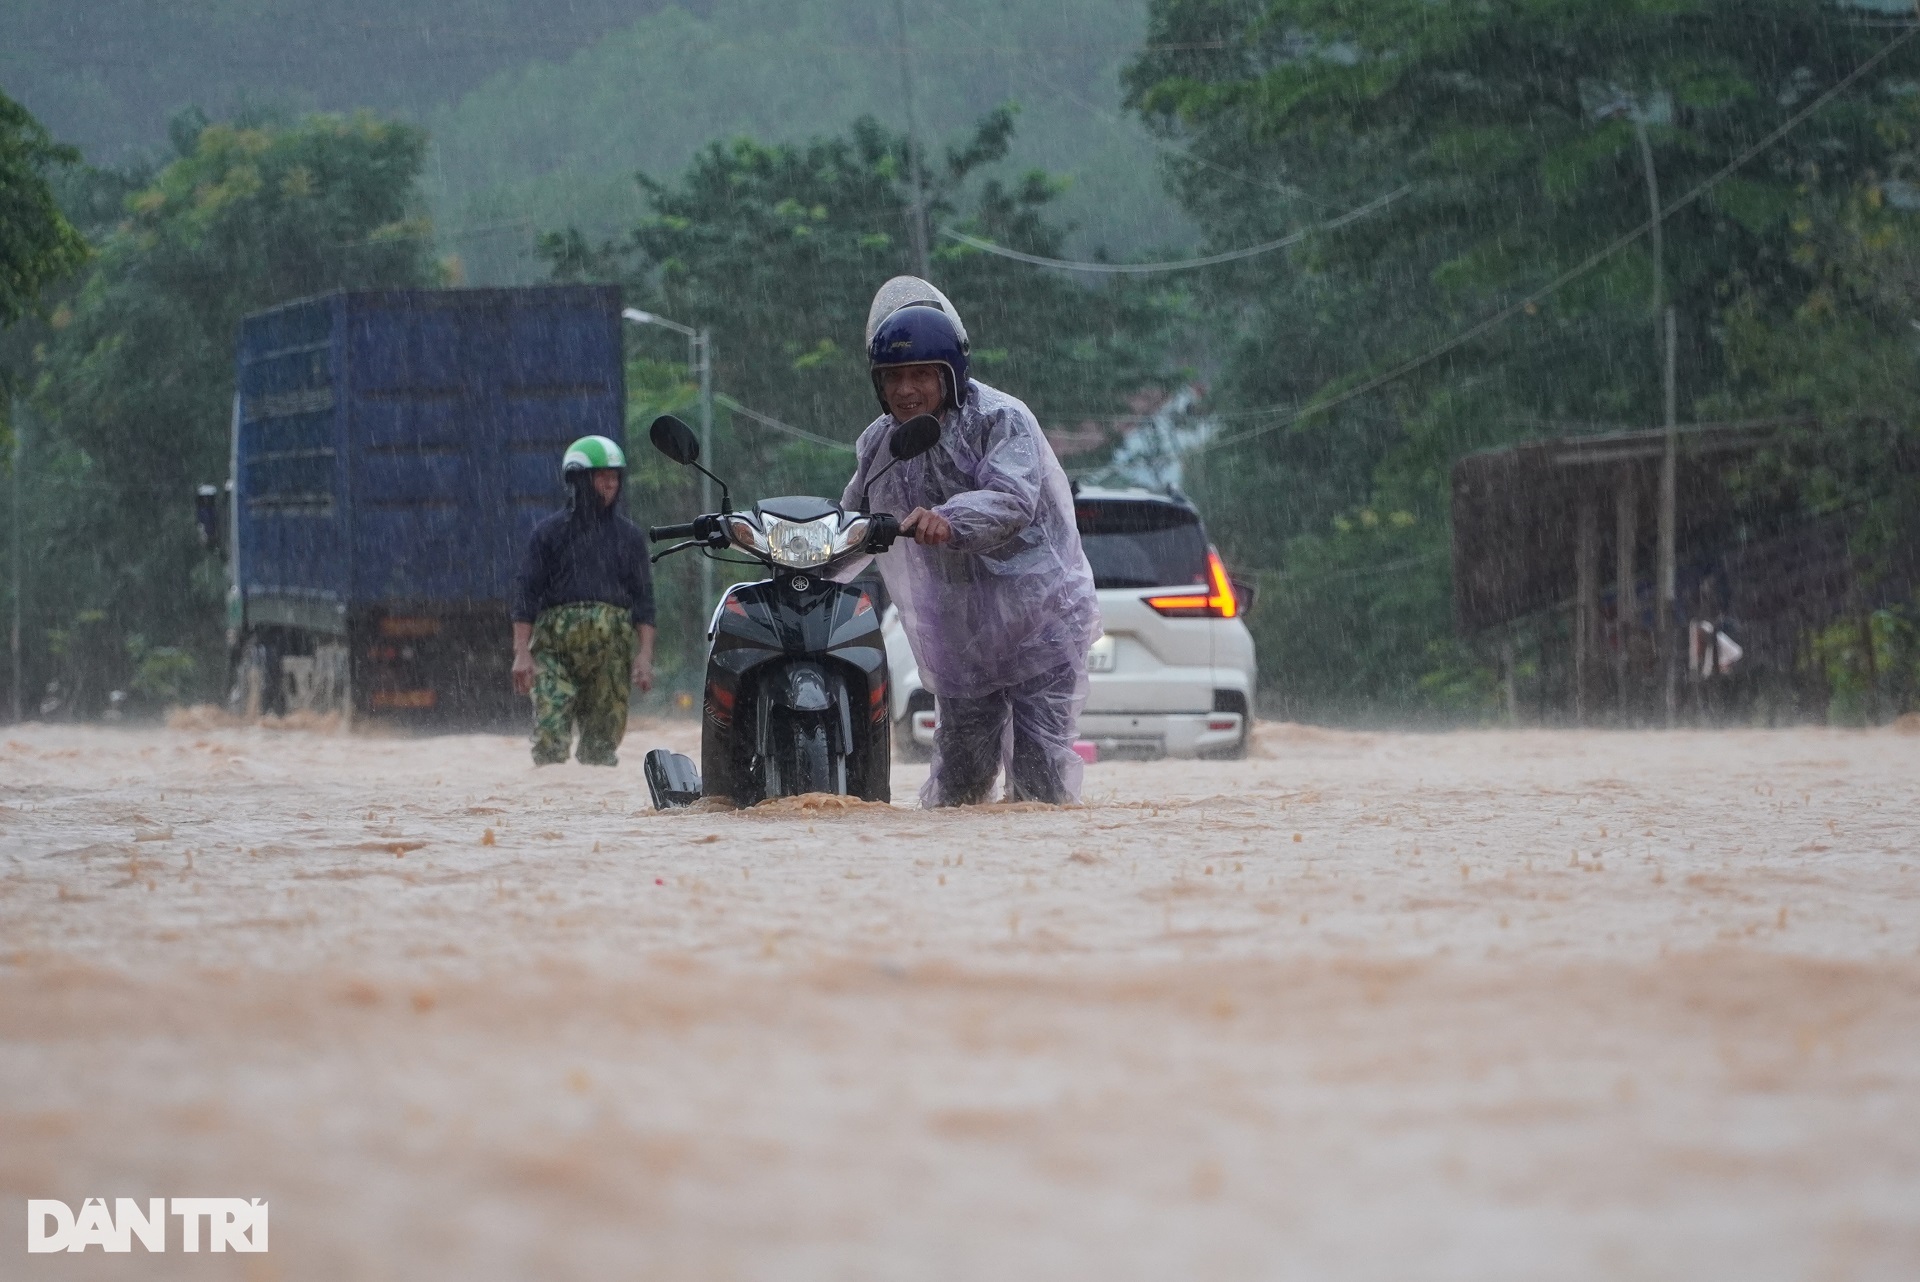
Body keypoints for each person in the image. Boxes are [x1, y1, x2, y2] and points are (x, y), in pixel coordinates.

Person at [842, 276, 1099, 807]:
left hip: (1040, 624)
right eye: (894, 377)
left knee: (1039, 787)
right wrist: (792, 554)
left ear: (950, 376)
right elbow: (852, 524)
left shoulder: (1000, 419)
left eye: (920, 375)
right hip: (962, 638)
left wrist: (949, 519)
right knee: (958, 787)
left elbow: (1011, 498)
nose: (906, 389)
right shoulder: (879, 443)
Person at [511, 435, 656, 766]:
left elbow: (645, 603)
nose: (611, 485)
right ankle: (549, 811)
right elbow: (526, 594)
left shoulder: (630, 538)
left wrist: (644, 657)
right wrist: (521, 653)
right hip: (553, 653)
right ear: (578, 479)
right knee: (549, 740)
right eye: (602, 477)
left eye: (615, 477)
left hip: (611, 657)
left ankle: (595, 815)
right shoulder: (547, 534)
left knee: (601, 749)